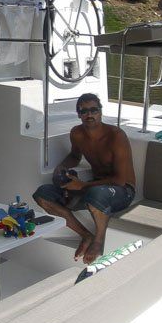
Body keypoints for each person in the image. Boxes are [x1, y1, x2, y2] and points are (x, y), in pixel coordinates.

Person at [32, 93, 137, 263]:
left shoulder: (116, 136)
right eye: (84, 111)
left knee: (94, 194)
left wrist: (81, 186)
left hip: (123, 191)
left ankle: (98, 240)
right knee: (43, 194)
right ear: (78, 114)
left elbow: (119, 179)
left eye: (94, 110)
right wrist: (62, 167)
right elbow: (75, 156)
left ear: (100, 112)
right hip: (93, 187)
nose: (89, 115)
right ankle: (85, 235)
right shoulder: (77, 133)